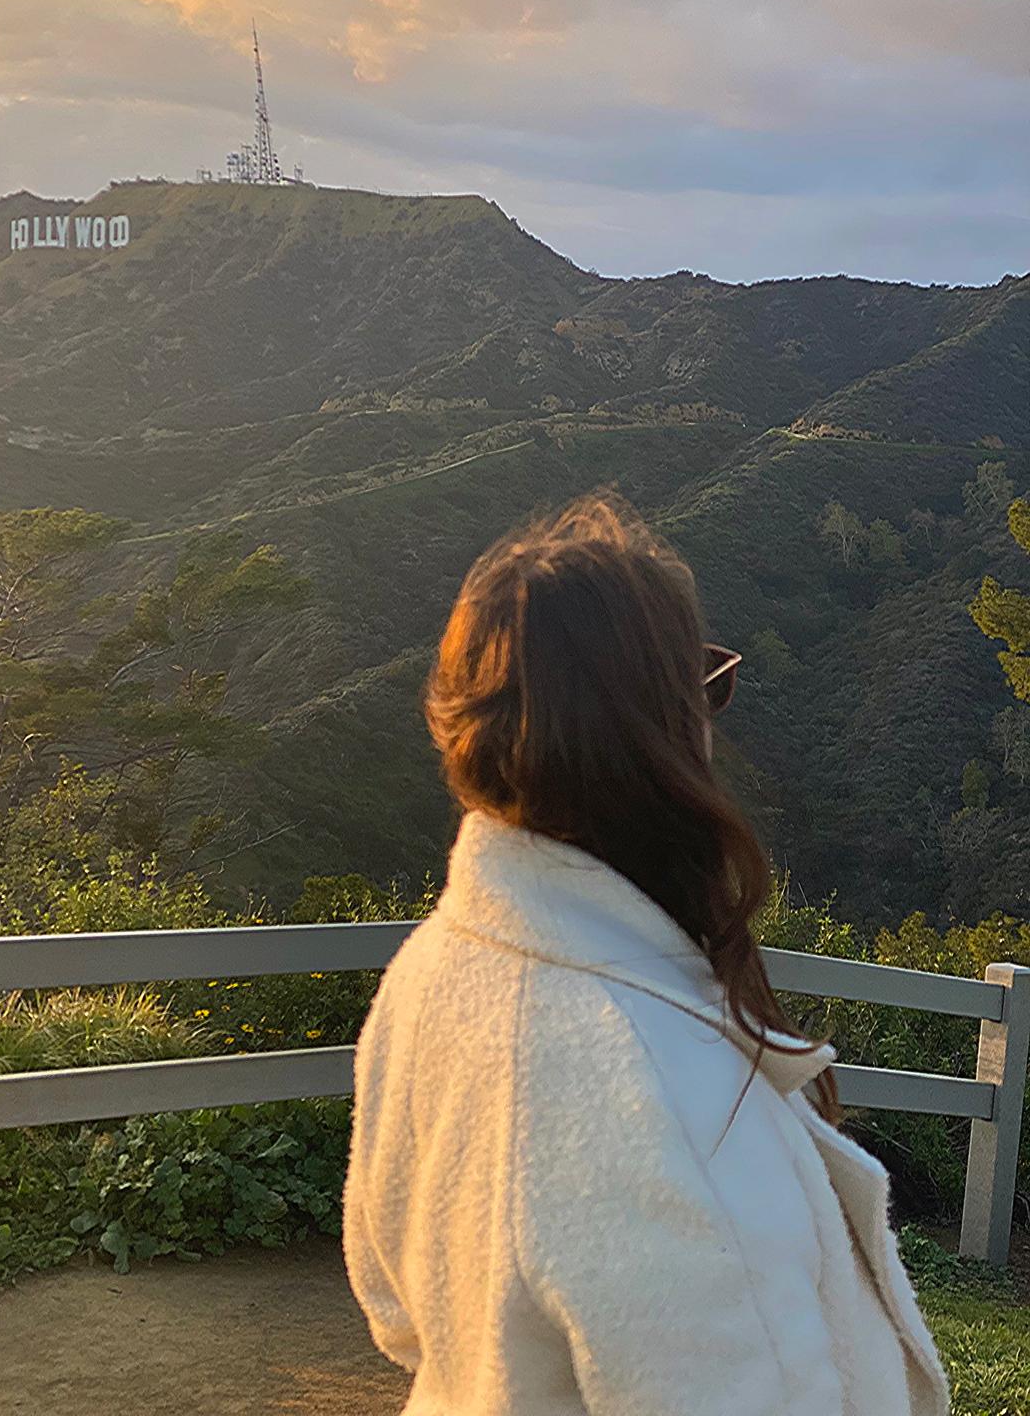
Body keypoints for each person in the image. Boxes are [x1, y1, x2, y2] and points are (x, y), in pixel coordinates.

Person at [342, 490, 949, 1415]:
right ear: (664, 733)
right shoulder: (662, 1088)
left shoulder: (431, 972)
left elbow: (397, 1314)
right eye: (703, 687)